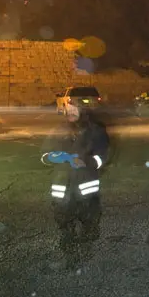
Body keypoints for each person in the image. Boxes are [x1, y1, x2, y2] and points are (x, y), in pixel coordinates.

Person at [41, 104, 109, 270]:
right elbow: (43, 155)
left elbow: (104, 158)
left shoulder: (96, 132)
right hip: (62, 189)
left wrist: (85, 161)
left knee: (89, 224)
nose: (70, 113)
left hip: (86, 188)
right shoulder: (58, 130)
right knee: (65, 226)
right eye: (68, 110)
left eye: (74, 110)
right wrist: (52, 157)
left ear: (83, 112)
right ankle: (70, 258)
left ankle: (86, 257)